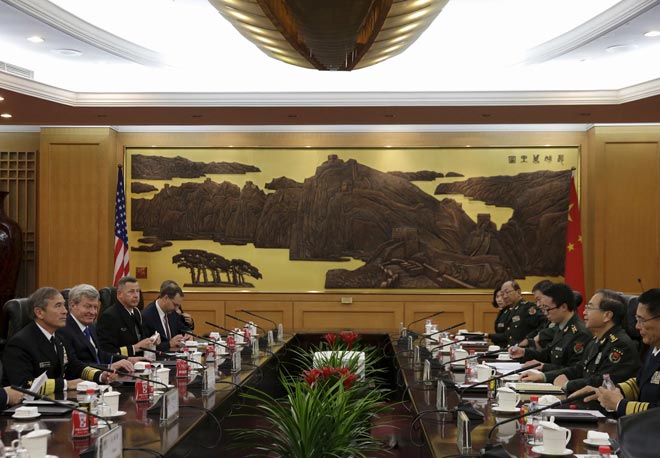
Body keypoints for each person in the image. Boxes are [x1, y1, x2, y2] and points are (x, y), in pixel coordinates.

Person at [2, 287, 115, 395]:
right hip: (26, 409)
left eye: (64, 306)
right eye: (58, 306)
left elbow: (74, 366)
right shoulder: (20, 343)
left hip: (55, 401)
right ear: (39, 312)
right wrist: (66, 384)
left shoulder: (58, 337)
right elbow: (24, 384)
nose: (65, 311)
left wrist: (101, 375)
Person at [574, 288, 660, 416]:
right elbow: (639, 383)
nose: (636, 326)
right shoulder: (654, 348)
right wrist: (605, 391)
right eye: (636, 319)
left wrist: (620, 404)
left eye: (642, 320)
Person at [544, 290, 640, 393]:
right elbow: (580, 369)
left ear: (607, 315)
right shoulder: (596, 340)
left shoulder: (620, 345)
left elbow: (604, 381)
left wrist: (568, 385)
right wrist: (544, 376)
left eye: (589, 308)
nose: (584, 312)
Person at [512, 282, 591, 378]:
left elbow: (575, 370)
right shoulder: (561, 326)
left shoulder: (579, 333)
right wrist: (524, 352)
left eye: (548, 309)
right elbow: (548, 353)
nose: (545, 313)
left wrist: (544, 367)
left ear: (563, 307)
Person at [57, 284, 145, 371]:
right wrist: (108, 367)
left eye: (95, 307)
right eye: (88, 307)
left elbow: (99, 354)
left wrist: (127, 359)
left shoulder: (90, 326)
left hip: (103, 378)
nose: (92, 312)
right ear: (73, 305)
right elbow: (75, 366)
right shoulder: (64, 330)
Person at [97, 276, 160, 356]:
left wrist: (152, 340)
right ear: (119, 294)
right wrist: (136, 348)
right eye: (131, 292)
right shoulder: (109, 316)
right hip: (122, 364)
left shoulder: (136, 312)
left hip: (140, 361)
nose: (136, 295)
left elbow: (139, 338)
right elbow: (106, 351)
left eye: (137, 291)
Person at [141, 281, 191, 352]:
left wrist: (188, 334)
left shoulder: (171, 312)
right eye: (175, 305)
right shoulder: (147, 315)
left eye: (178, 306)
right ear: (166, 298)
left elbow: (183, 328)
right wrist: (169, 344)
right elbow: (145, 347)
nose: (177, 309)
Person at [500, 280, 546, 347]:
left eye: (507, 292)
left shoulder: (528, 308)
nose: (505, 296)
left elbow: (543, 324)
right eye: (502, 294)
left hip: (526, 351)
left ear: (518, 292)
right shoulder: (508, 310)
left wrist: (528, 339)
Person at [531, 279, 555, 349]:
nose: (538, 305)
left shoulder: (558, 317)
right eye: (536, 301)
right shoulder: (547, 319)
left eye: (539, 299)